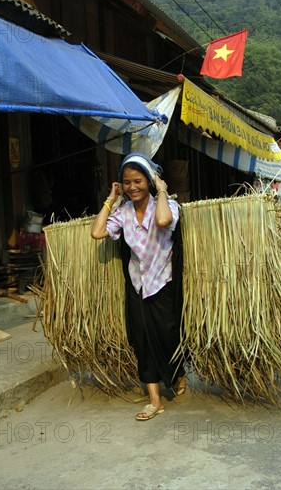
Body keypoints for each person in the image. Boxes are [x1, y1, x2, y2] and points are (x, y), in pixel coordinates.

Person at [91, 153, 185, 421]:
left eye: (138, 181)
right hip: (138, 285)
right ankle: (155, 400)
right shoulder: (123, 213)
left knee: (169, 336)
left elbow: (163, 221)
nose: (132, 187)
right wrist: (110, 200)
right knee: (143, 341)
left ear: (149, 181)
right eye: (127, 182)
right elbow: (97, 232)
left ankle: (177, 372)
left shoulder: (167, 207)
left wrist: (163, 191)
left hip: (163, 284)